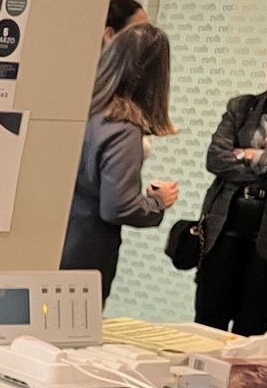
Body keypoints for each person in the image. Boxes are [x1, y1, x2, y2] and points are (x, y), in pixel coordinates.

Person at [60, 22, 180, 300]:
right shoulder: (123, 129)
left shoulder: (82, 112)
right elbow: (118, 207)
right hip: (86, 252)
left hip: (57, 241)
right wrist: (157, 201)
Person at [194, 56, 267, 335]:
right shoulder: (242, 107)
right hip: (225, 226)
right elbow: (216, 158)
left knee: (251, 327)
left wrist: (249, 154)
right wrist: (266, 163)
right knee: (208, 319)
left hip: (266, 238)